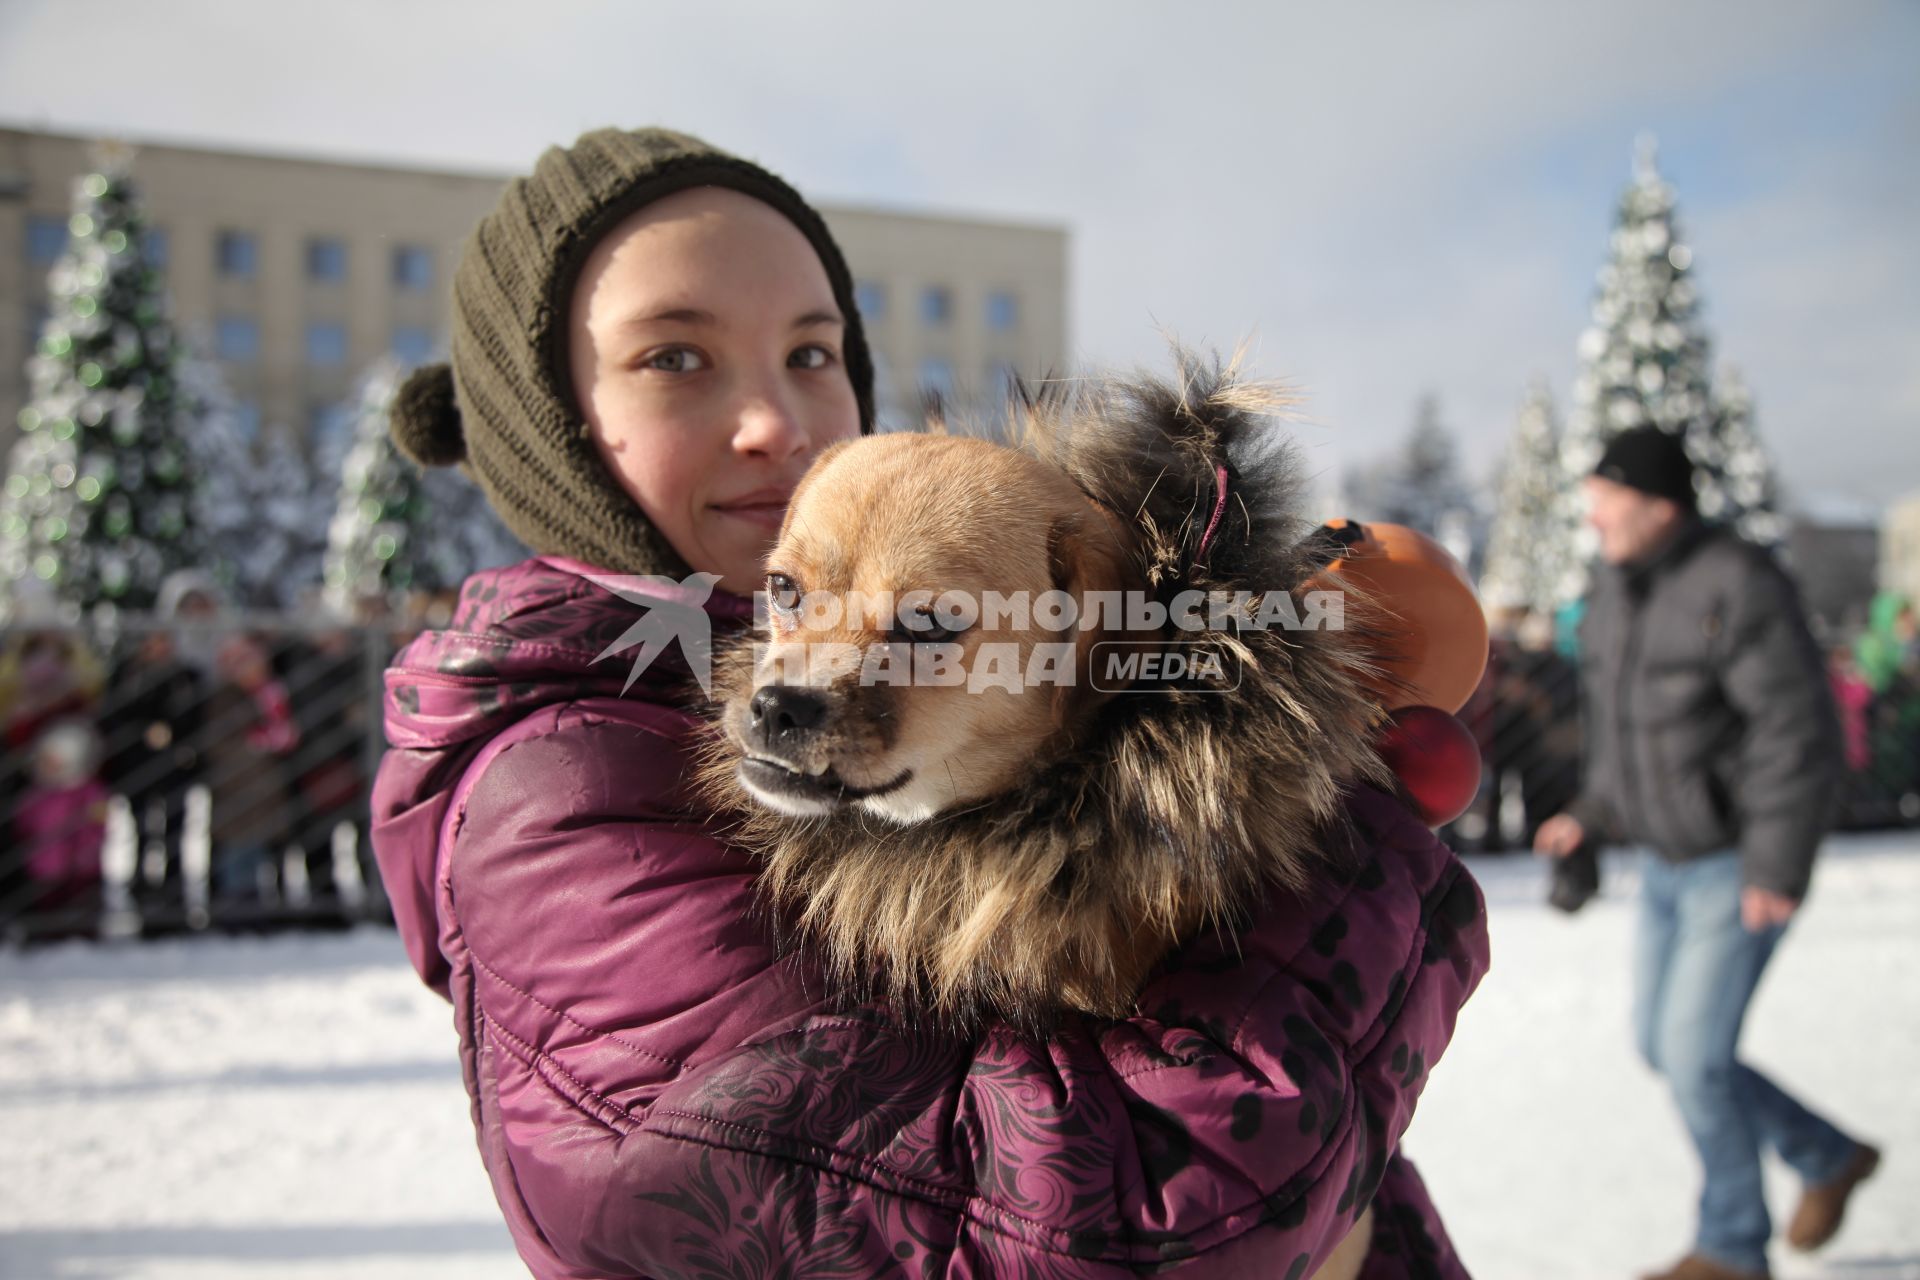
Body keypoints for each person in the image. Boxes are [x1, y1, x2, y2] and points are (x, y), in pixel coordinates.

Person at [370, 127, 1488, 1278]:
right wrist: (1355, 851)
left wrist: (1263, 728)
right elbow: (1098, 1224)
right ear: (546, 419)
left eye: (812, 352)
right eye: (674, 358)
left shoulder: (933, 625)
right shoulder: (559, 793)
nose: (777, 422)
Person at [1534, 426, 1880, 1280]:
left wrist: (1775, 864)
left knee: (1693, 1057)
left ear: (1658, 503)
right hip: (1662, 863)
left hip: (1734, 861)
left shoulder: (1739, 582)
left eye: (1606, 497)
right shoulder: (1615, 589)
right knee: (1666, 1046)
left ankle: (1731, 1247)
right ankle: (1826, 1156)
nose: (1593, 514)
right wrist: (1589, 811)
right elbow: (1626, 739)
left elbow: (1796, 733)